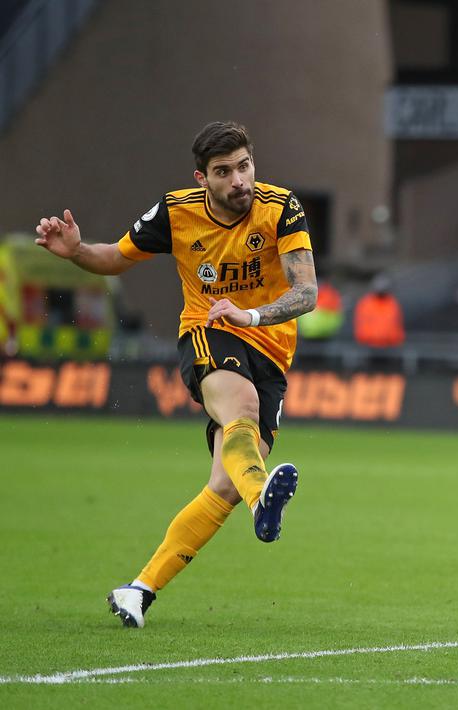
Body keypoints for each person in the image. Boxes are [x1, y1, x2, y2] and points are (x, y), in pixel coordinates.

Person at [34, 121, 317, 628]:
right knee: (242, 412)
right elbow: (117, 258)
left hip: (270, 347)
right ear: (202, 177)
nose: (239, 181)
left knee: (223, 485)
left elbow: (307, 293)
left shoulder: (281, 207)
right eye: (224, 172)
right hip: (209, 331)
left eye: (244, 166)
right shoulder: (176, 212)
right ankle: (262, 503)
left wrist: (250, 315)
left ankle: (138, 590)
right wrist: (76, 251)